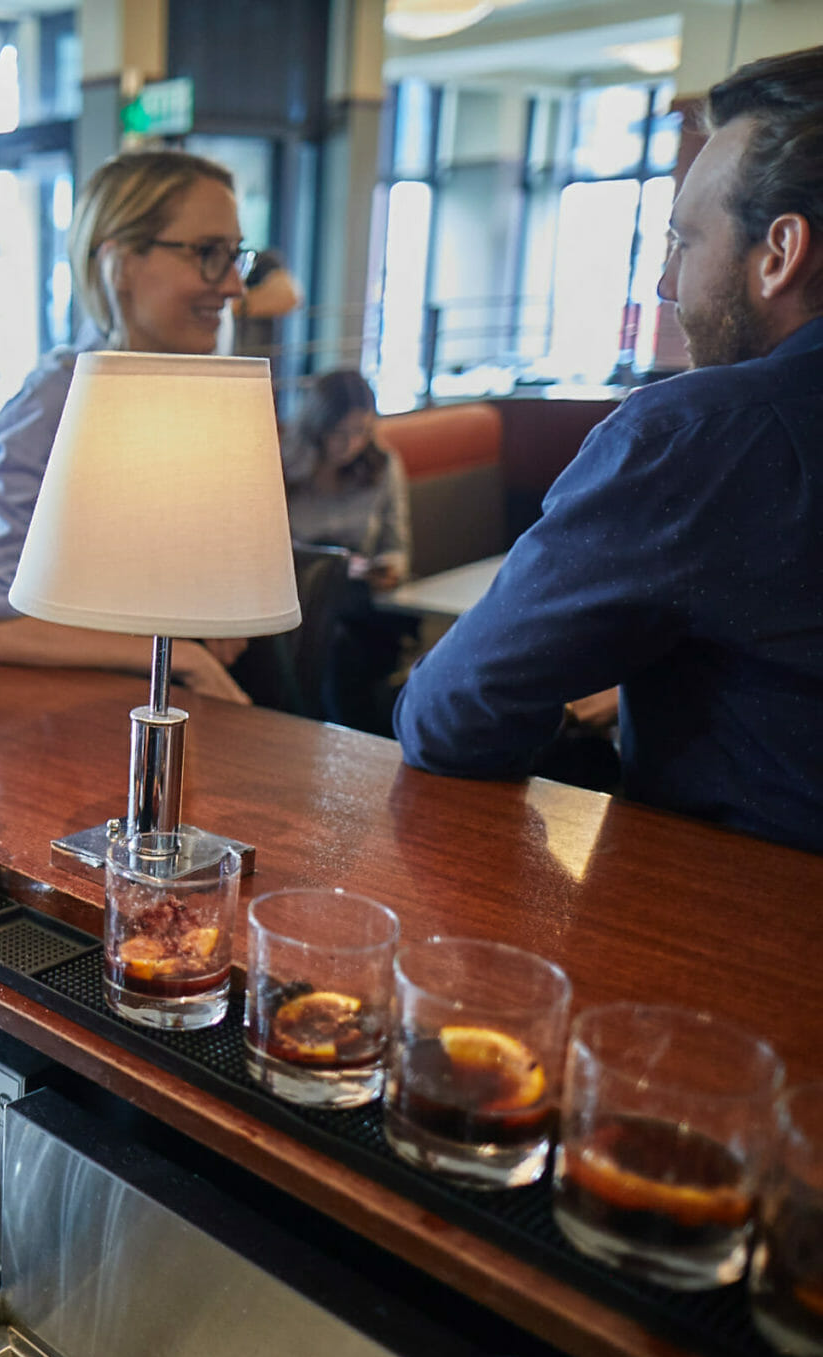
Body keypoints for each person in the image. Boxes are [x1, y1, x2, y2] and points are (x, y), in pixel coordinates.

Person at [395, 45, 823, 854]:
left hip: (749, 946)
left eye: (683, 242)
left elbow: (450, 715)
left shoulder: (699, 435)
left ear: (779, 253)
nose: (666, 284)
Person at [0, 149, 257, 701]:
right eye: (209, 254)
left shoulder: (204, 400)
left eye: (236, 255)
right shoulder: (55, 400)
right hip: (69, 721)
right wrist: (178, 654)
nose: (235, 285)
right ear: (119, 264)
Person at [282, 369, 414, 730]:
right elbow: (266, 547)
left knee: (358, 642)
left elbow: (396, 544)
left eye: (362, 432)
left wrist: (389, 567)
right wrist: (327, 564)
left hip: (363, 594)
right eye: (341, 433)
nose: (353, 444)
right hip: (299, 590)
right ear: (317, 427)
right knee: (339, 646)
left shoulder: (382, 465)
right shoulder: (284, 467)